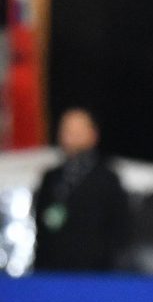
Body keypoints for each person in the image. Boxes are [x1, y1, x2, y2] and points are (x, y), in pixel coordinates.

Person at [33, 108, 129, 271]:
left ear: (93, 135)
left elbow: (120, 230)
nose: (71, 137)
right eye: (67, 131)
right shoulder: (51, 178)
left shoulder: (107, 179)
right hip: (53, 271)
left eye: (78, 131)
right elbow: (42, 225)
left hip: (96, 274)